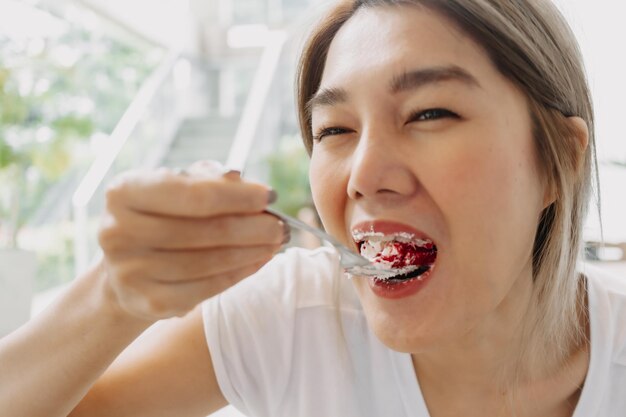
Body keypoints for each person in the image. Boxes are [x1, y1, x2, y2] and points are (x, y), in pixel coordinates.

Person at [1, 0, 625, 416]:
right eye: (332, 130)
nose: (363, 175)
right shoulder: (293, 317)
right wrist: (111, 298)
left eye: (430, 113)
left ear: (558, 162)